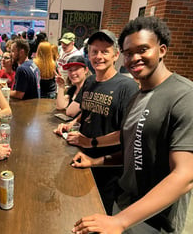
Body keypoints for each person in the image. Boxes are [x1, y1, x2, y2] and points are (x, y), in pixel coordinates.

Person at [71, 16, 193, 234]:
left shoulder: (184, 95)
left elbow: (185, 176)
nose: (134, 58)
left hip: (156, 219)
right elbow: (133, 151)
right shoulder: (137, 97)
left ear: (162, 50)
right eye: (128, 53)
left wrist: (120, 221)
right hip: (123, 203)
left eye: (143, 49)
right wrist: (95, 161)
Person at [54, 29, 138, 215]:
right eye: (94, 51)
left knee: (99, 213)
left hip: (107, 166)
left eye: (104, 51)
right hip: (82, 157)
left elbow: (127, 133)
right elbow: (87, 111)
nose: (98, 56)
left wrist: (91, 142)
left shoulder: (127, 87)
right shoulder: (90, 81)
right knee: (76, 209)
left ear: (116, 55)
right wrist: (72, 124)